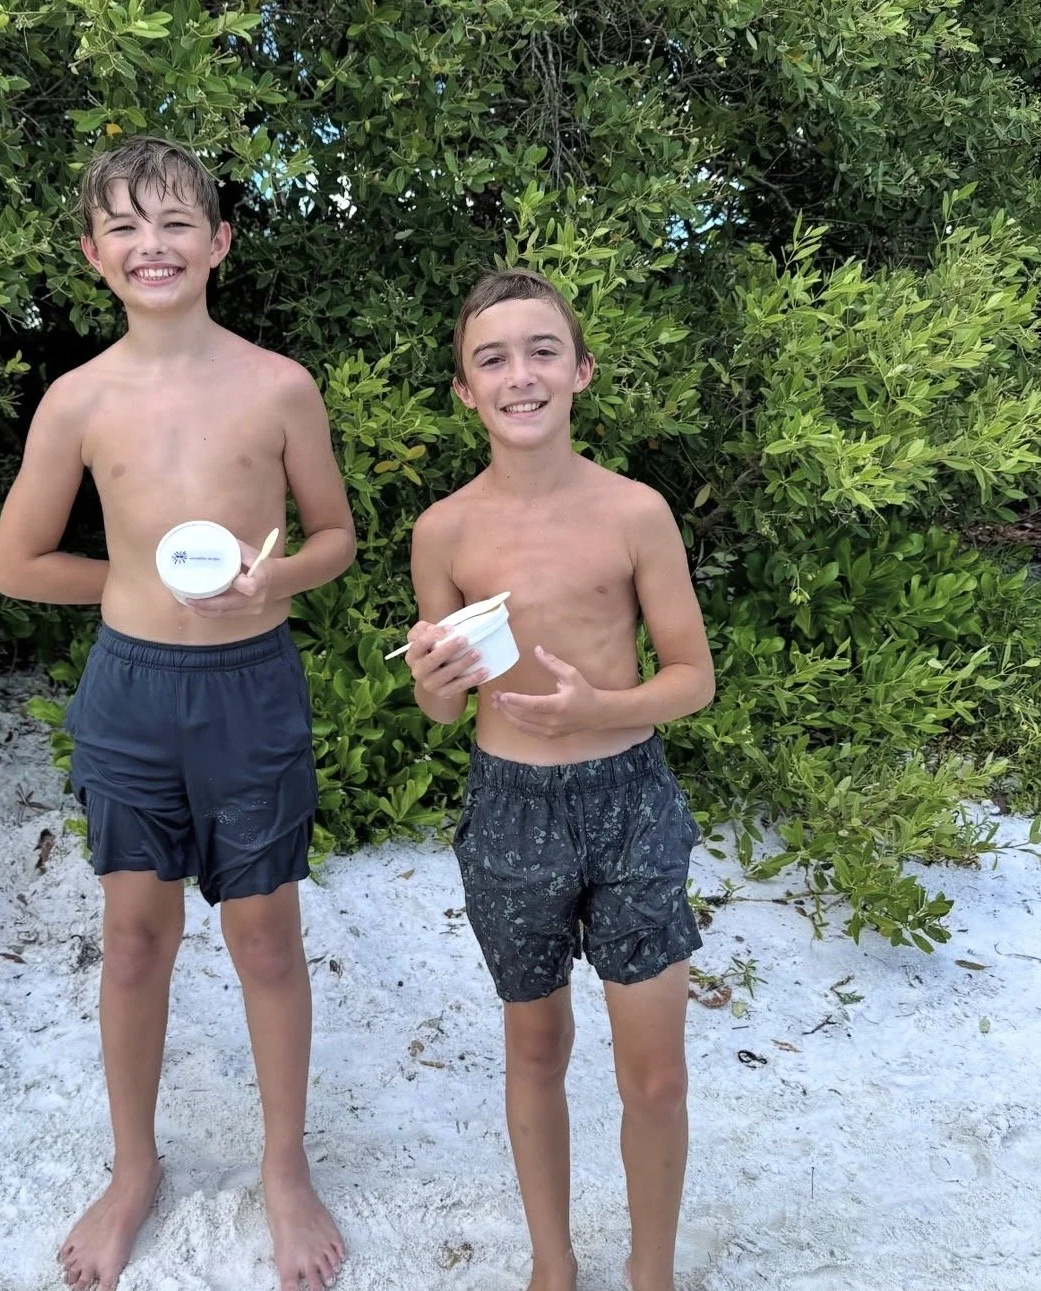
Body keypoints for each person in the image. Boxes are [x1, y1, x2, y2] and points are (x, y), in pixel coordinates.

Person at [0, 135, 355, 1291]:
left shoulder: (279, 385)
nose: (154, 245)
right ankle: (133, 1164)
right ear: (96, 255)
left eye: (177, 222)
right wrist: (132, 584)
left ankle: (285, 1165)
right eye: (128, 228)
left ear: (219, 242)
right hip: (130, 698)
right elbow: (17, 562)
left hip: (250, 693)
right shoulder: (79, 398)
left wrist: (274, 580)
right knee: (137, 941)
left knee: (266, 942)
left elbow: (336, 540)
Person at [404, 268, 715, 1291]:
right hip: (509, 809)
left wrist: (602, 712)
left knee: (654, 1071)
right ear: (465, 389)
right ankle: (553, 1263)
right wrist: (432, 683)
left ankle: (652, 1272)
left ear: (579, 371)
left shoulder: (635, 512)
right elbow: (448, 708)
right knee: (534, 1048)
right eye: (492, 358)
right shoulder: (443, 532)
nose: (520, 374)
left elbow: (692, 679)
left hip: (631, 800)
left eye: (542, 350)